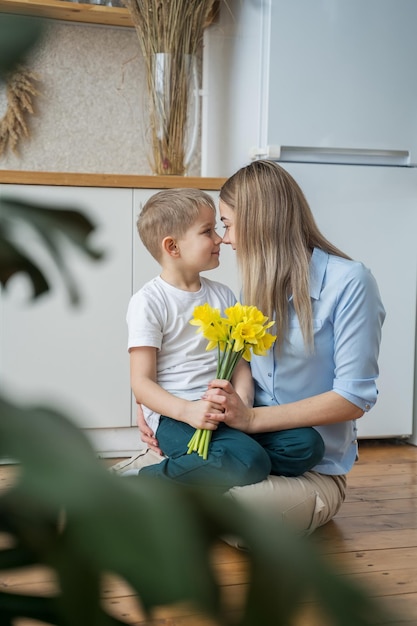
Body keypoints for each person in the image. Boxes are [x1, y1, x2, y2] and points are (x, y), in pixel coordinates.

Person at [135, 162, 385, 537]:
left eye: (227, 224)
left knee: (249, 515)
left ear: (260, 221)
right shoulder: (253, 289)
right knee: (237, 488)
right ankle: (190, 475)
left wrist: (249, 420)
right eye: (215, 228)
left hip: (304, 463)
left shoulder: (350, 283)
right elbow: (164, 366)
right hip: (241, 437)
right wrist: (152, 406)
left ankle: (163, 483)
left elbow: (353, 397)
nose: (226, 239)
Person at [122, 187, 325, 493]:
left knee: (307, 444)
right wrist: (187, 411)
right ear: (173, 247)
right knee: (247, 460)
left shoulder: (223, 295)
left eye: (217, 229)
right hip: (178, 417)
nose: (219, 239)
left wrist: (243, 401)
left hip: (226, 412)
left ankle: (219, 464)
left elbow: (239, 359)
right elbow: (141, 383)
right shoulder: (149, 302)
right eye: (208, 231)